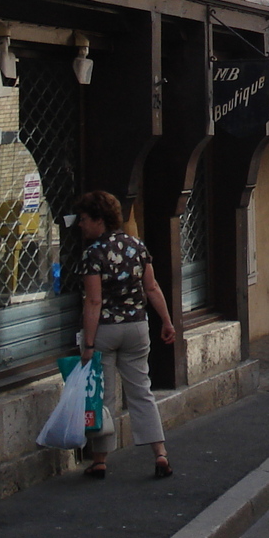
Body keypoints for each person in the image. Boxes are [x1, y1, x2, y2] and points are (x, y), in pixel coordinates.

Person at [74, 190, 176, 480]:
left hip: (105, 329)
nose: (81, 225)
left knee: (104, 397)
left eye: (84, 219)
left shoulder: (93, 254)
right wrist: (166, 322)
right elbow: (152, 287)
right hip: (137, 326)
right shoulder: (136, 246)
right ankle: (160, 453)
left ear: (98, 220)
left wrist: (88, 344)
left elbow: (93, 302)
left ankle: (100, 460)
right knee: (141, 391)